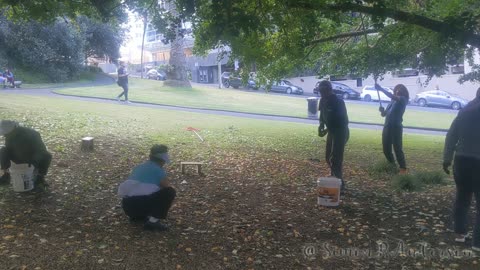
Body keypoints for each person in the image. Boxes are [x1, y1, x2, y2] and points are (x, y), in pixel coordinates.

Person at [443, 87, 480, 251]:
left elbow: (451, 135)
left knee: (462, 198)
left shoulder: (464, 111)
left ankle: (459, 233)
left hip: (461, 160)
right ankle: (477, 243)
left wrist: (446, 159)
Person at [118, 144, 176, 231]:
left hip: (128, 208)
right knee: (170, 192)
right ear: (163, 161)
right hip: (142, 206)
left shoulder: (139, 167)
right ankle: (153, 222)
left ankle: (138, 218)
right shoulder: (158, 171)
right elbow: (167, 187)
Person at [318, 80, 350, 191]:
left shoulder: (338, 102)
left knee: (336, 158)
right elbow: (322, 115)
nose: (322, 94)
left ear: (329, 90)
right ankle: (334, 178)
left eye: (324, 91)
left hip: (341, 132)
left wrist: (329, 128)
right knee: (328, 157)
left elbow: (343, 121)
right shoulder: (322, 100)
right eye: (320, 92)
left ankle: (340, 185)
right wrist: (321, 125)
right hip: (332, 131)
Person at [0, 120, 52, 187]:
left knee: (47, 155)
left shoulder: (32, 134)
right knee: (3, 150)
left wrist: (33, 163)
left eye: (6, 133)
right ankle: (6, 175)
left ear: (14, 129)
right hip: (18, 157)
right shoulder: (9, 135)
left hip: (32, 158)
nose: (5, 135)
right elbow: (8, 148)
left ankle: (40, 177)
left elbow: (41, 149)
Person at [375, 83, 409, 174]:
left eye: (399, 89)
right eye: (396, 89)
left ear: (403, 92)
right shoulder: (392, 101)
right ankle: (392, 166)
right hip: (387, 126)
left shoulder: (403, 99)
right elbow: (384, 114)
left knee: (397, 148)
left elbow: (393, 96)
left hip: (396, 127)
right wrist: (382, 111)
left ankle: (403, 168)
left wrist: (381, 89)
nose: (397, 91)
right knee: (386, 149)